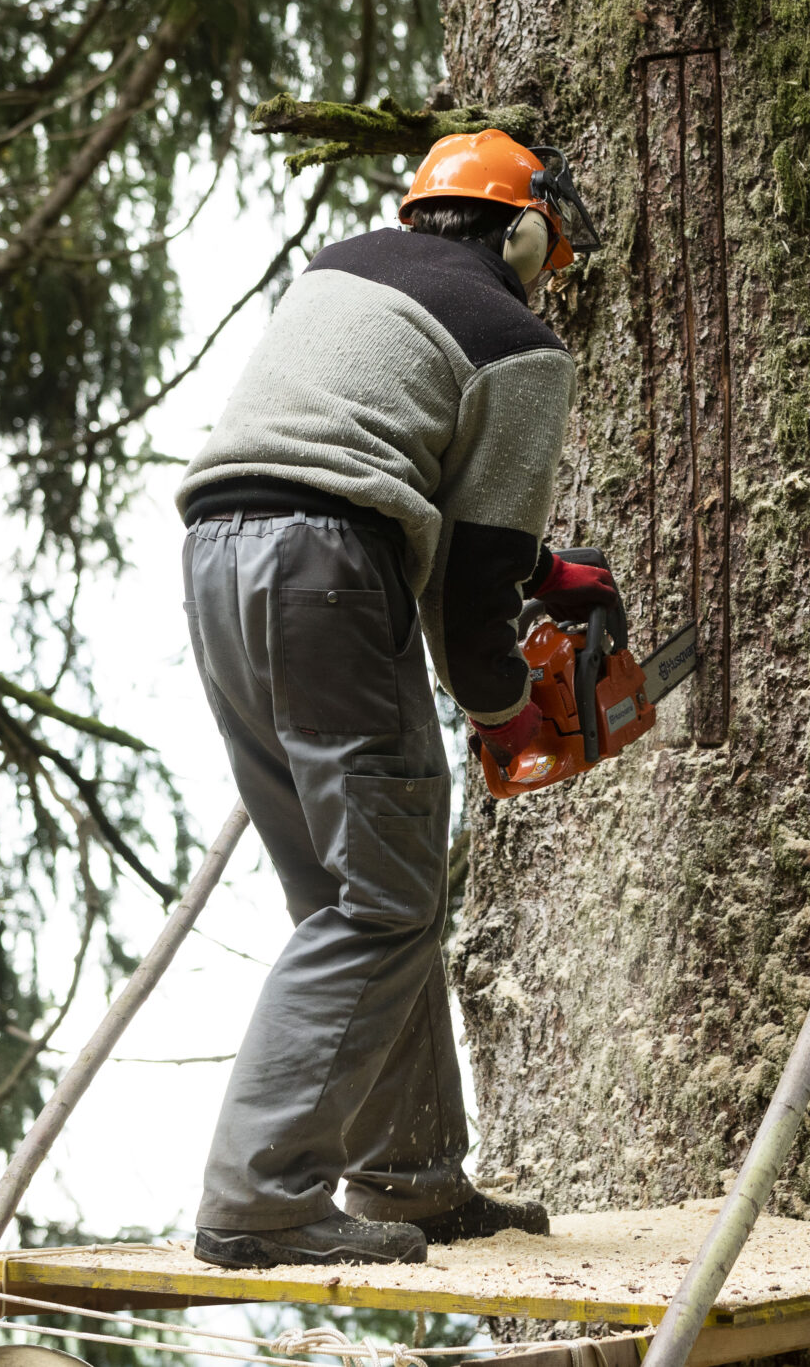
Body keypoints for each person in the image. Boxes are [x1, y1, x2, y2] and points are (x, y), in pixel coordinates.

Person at [173, 130, 624, 1269]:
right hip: (330, 568)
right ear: (522, 234)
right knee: (381, 902)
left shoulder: (339, 269)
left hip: (220, 560)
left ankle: (409, 1176)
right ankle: (259, 1198)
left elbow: (374, 458)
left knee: (360, 893)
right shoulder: (517, 341)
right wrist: (509, 711)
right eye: (547, 251)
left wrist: (538, 571)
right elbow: (470, 588)